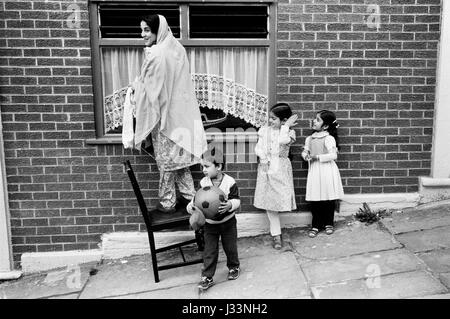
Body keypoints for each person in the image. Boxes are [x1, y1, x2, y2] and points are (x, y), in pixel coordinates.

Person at [129, 14, 207, 213]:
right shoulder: (177, 48)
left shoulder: (155, 53)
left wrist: (135, 88)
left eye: (147, 30)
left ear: (158, 30)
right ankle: (194, 201)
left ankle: (167, 203)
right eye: (142, 30)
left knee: (166, 163)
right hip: (181, 117)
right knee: (180, 163)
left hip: (164, 119)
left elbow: (152, 89)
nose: (142, 34)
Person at [186, 147, 241, 291]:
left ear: (219, 166)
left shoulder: (230, 182)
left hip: (228, 222)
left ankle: (234, 267)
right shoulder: (204, 183)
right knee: (209, 250)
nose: (203, 170)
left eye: (206, 166)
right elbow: (196, 200)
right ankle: (207, 276)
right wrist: (191, 207)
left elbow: (237, 200)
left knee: (230, 247)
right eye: (202, 166)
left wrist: (230, 204)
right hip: (210, 224)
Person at [253, 103, 298, 250]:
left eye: (273, 118)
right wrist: (264, 160)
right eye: (270, 118)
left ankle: (278, 232)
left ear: (284, 121)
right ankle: (276, 234)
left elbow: (281, 142)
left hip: (281, 168)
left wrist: (285, 127)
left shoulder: (289, 133)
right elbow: (259, 147)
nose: (270, 121)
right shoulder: (264, 131)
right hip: (266, 167)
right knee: (269, 202)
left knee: (281, 198)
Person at [301, 110, 344, 238]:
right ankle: (316, 224)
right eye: (315, 119)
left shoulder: (329, 138)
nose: (314, 121)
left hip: (326, 170)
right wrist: (306, 156)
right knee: (315, 198)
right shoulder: (310, 138)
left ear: (325, 126)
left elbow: (333, 155)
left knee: (328, 197)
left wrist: (317, 157)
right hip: (315, 170)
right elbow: (305, 152)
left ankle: (328, 223)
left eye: (318, 120)